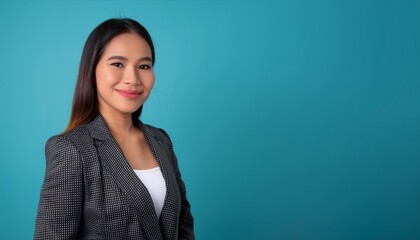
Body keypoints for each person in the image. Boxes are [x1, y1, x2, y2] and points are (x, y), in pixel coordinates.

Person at [34, 18, 194, 240]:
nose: (133, 78)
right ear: (92, 70)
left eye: (144, 66)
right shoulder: (71, 149)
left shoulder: (161, 140)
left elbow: (183, 224)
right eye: (118, 64)